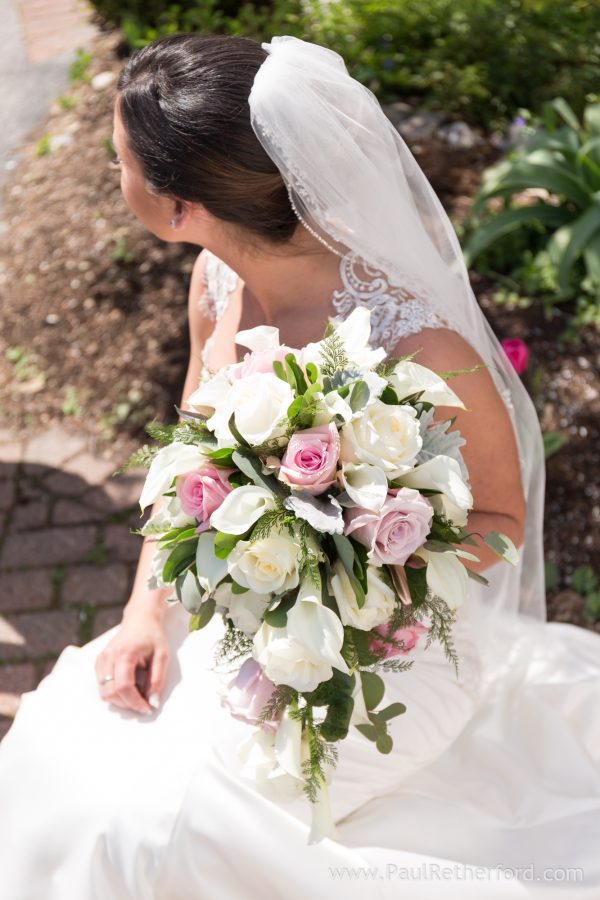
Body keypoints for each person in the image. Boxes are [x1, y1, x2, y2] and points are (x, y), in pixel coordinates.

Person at [0, 32, 599, 900]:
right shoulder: (213, 279)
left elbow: (500, 522)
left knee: (167, 821)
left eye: (117, 161)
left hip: (389, 651)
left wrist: (372, 577)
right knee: (78, 769)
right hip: (240, 630)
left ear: (176, 206)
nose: (111, 174)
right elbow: (186, 462)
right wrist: (142, 614)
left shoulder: (415, 337)